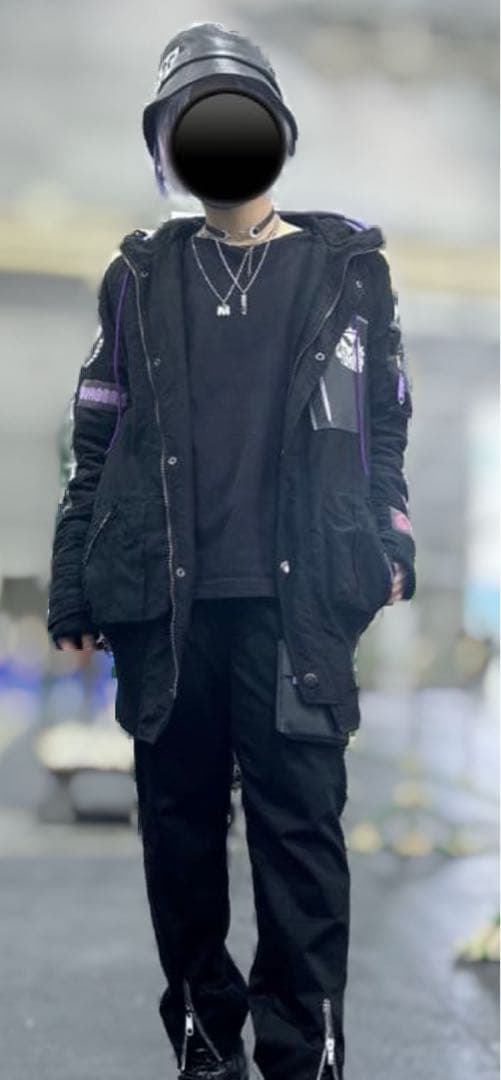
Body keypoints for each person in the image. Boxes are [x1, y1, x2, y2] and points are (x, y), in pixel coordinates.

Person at [46, 21, 416, 1080]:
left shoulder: (348, 272)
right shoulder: (139, 275)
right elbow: (97, 435)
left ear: (275, 131)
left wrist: (387, 542)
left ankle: (304, 1058)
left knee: (302, 846)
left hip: (299, 611)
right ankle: (207, 1051)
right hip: (167, 612)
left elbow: (383, 427)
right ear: (167, 147)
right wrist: (75, 581)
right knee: (179, 848)